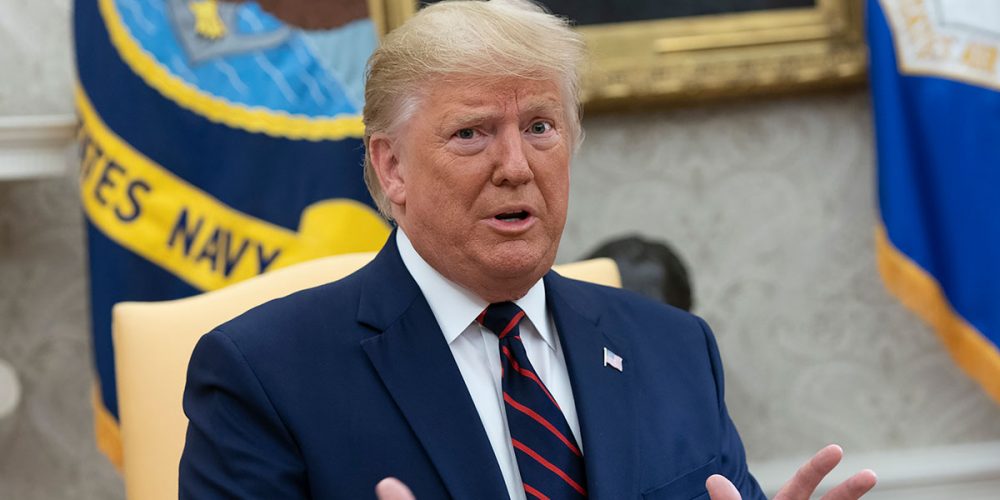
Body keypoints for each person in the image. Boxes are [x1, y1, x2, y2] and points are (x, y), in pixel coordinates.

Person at [179, 1, 878, 499]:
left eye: (540, 127)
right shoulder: (264, 376)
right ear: (392, 168)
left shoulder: (675, 348)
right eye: (471, 134)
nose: (516, 167)